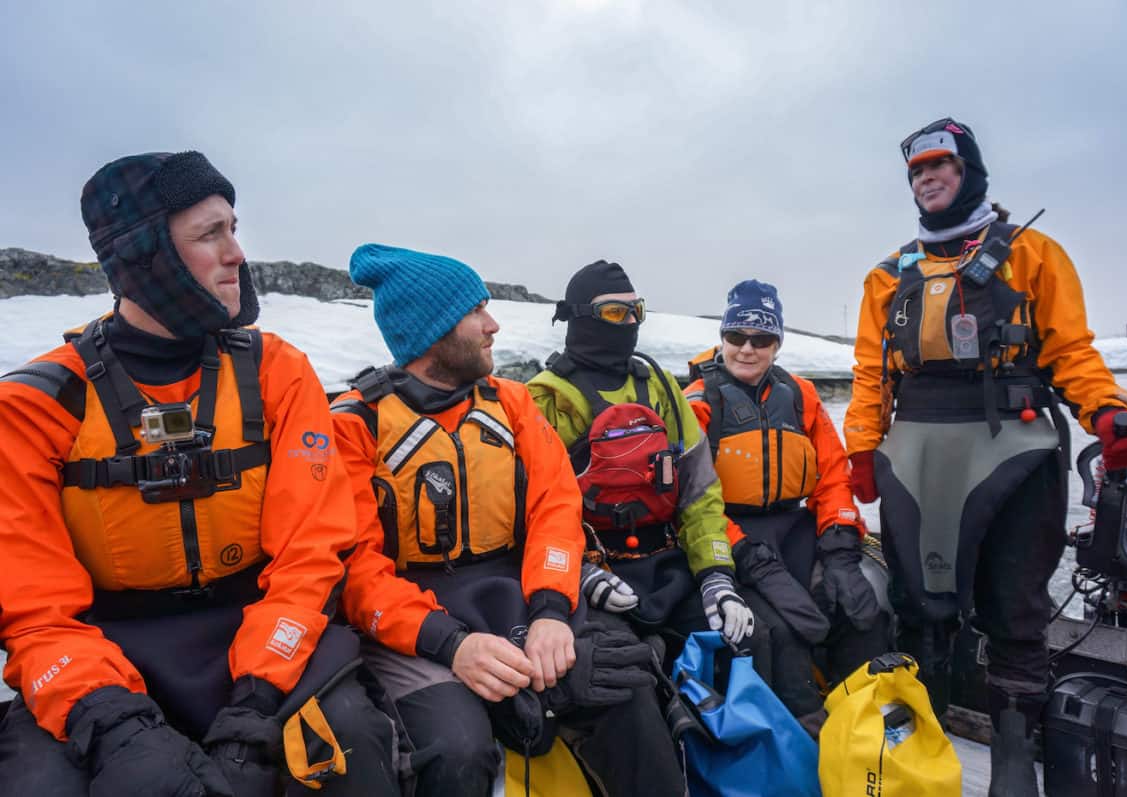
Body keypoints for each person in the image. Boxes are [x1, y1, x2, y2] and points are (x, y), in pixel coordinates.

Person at [0, 152, 399, 796]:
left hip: (258, 628)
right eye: (210, 234)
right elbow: (33, 612)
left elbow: (310, 555)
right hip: (108, 647)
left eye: (233, 229)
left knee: (351, 744)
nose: (237, 253)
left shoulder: (277, 371)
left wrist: (257, 698)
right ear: (145, 255)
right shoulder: (37, 403)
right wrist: (115, 726)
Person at [844, 118, 1127, 796]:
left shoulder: (1033, 254)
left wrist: (1105, 408)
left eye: (940, 167)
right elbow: (871, 375)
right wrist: (862, 450)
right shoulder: (886, 275)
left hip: (1011, 445)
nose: (928, 179)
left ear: (969, 172)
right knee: (919, 603)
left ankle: (1013, 754)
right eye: (917, 172)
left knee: (1015, 605)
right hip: (916, 451)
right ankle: (923, 734)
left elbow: (1072, 351)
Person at [330, 245, 683, 797]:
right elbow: (356, 569)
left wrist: (550, 612)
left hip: (515, 588)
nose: (493, 324)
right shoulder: (357, 425)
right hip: (412, 616)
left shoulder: (513, 404)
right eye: (476, 312)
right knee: (455, 748)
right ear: (433, 331)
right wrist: (453, 646)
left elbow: (555, 511)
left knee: (625, 687)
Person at [526, 260, 823, 729]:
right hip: (597, 573)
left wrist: (716, 577)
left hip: (667, 560)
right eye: (613, 314)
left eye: (635, 312)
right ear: (580, 316)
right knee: (629, 677)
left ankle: (752, 757)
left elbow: (700, 493)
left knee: (752, 635)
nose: (628, 324)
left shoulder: (659, 387)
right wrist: (579, 574)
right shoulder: (545, 400)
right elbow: (536, 513)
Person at [684, 280, 891, 699]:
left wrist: (839, 550)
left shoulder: (802, 396)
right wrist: (746, 556)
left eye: (761, 339)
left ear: (776, 343)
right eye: (736, 336)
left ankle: (863, 714)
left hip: (792, 527)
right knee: (781, 630)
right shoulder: (698, 402)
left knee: (863, 608)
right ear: (722, 338)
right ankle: (801, 725)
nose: (747, 348)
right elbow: (691, 500)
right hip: (730, 534)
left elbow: (832, 477)